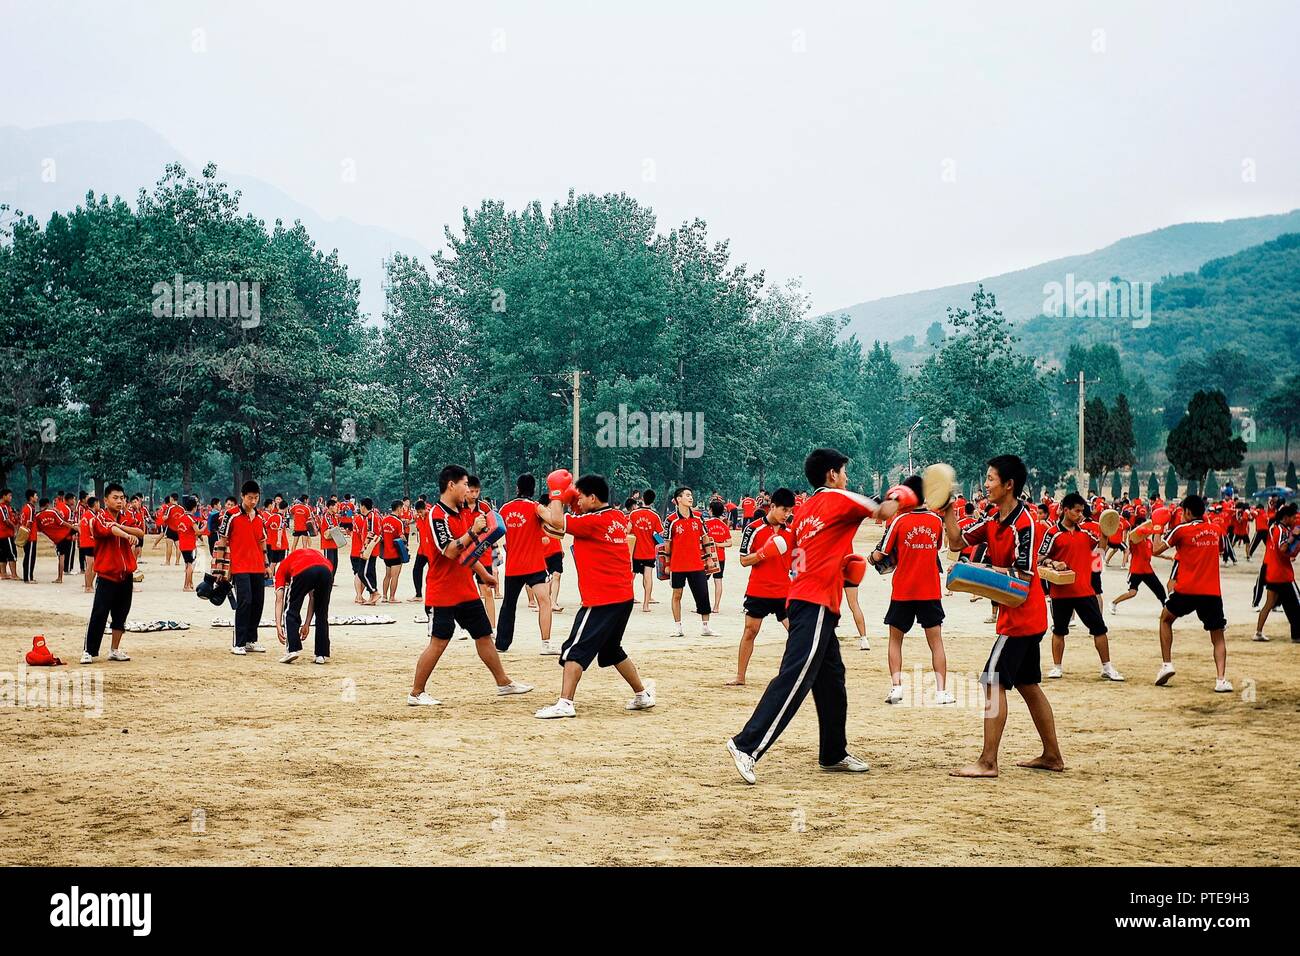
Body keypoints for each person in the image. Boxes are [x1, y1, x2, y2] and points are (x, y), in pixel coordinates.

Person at [726, 448, 903, 785]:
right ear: (832, 475)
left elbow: (798, 560)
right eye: (844, 472)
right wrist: (906, 491)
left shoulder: (805, 511)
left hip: (806, 598)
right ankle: (746, 745)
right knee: (796, 676)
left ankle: (833, 752)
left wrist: (834, 565)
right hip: (816, 602)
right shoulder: (839, 499)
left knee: (832, 681)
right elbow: (884, 510)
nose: (847, 478)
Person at [940, 454, 1064, 778]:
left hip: (1022, 618)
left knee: (992, 680)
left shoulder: (1026, 523)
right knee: (1028, 685)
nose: (986, 483)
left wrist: (979, 573)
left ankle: (988, 762)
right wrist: (948, 512)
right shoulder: (993, 519)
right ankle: (1052, 756)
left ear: (1009, 485)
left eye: (991, 478)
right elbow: (956, 541)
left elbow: (1022, 578)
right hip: (1018, 617)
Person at [407, 465, 532, 706]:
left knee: (484, 635)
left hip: (465, 589)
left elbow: (468, 554)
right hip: (442, 591)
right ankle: (416, 693)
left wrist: (485, 574)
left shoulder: (462, 512)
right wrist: (474, 532)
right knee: (439, 641)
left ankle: (503, 683)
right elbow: (452, 551)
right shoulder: (437, 515)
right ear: (451, 484)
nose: (468, 490)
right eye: (465, 484)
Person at [534, 471, 655, 718]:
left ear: (592, 497)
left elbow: (555, 522)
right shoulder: (615, 516)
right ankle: (642, 695)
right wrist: (567, 501)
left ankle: (565, 703)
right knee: (611, 650)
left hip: (602, 599)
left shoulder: (593, 521)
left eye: (580, 497)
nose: (576, 501)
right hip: (621, 598)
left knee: (573, 649)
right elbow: (558, 531)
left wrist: (554, 496)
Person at [870, 475, 955, 704]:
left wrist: (871, 558)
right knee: (936, 642)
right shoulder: (936, 521)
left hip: (904, 590)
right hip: (929, 590)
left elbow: (882, 554)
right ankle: (940, 692)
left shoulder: (899, 521)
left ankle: (897, 688)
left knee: (896, 640)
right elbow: (936, 547)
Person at [1145, 494, 1232, 692]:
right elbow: (1222, 550)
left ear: (1187, 512)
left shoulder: (1181, 530)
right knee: (1217, 636)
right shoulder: (1216, 530)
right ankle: (1221, 680)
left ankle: (1167, 664)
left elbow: (1156, 550)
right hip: (1211, 592)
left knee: (1165, 619)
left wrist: (1157, 528)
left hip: (1187, 589)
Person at [1040, 492, 1125, 681]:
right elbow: (1039, 559)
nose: (1080, 515)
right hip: (1060, 592)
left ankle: (1107, 667)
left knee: (1100, 629)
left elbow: (1100, 551)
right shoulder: (1052, 534)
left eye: (1082, 511)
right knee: (1059, 630)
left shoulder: (1086, 534)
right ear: (1065, 510)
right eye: (1077, 511)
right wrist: (1053, 563)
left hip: (1085, 591)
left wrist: (1105, 532)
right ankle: (1057, 667)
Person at [727, 487, 795, 686]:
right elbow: (743, 560)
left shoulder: (792, 531)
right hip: (759, 589)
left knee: (797, 632)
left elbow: (799, 561)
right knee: (750, 631)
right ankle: (740, 676)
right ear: (772, 507)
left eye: (790, 511)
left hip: (784, 589)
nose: (787, 514)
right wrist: (762, 554)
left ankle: (794, 675)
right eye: (784, 510)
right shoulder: (753, 528)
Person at [81, 483, 145, 664]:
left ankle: (114, 649)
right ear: (106, 500)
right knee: (99, 613)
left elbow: (140, 532)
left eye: (122, 498)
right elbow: (110, 529)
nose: (119, 501)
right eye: (115, 498)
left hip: (125, 575)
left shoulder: (126, 517)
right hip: (107, 575)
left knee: (121, 614)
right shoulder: (99, 517)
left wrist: (122, 527)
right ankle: (89, 650)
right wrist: (125, 534)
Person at [494, 474, 557, 654]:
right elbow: (554, 520)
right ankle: (546, 645)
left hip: (514, 566)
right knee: (544, 601)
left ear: (517, 488)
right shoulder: (536, 507)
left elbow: (494, 531)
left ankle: (501, 645)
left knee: (509, 605)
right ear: (533, 489)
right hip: (534, 565)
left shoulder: (505, 509)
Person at [217, 481, 271, 656]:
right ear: (242, 496)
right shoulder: (230, 515)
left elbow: (263, 542)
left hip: (257, 566)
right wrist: (221, 567)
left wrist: (267, 565)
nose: (253, 501)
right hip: (239, 566)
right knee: (245, 601)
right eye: (250, 498)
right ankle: (239, 642)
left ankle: (250, 640)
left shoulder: (261, 517)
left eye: (256, 498)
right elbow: (222, 540)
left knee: (257, 603)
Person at [664, 487, 717, 638]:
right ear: (678, 499)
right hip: (677, 564)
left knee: (702, 594)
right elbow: (667, 543)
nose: (691, 498)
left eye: (691, 495)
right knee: (677, 595)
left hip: (696, 563)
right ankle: (678, 627)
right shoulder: (670, 520)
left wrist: (709, 557)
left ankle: (706, 627)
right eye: (687, 495)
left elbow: (705, 537)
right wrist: (667, 563)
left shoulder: (699, 517)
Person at [273, 547, 334, 664]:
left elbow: (279, 600)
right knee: (322, 612)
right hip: (326, 570)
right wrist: (307, 623)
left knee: (290, 610)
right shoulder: (300, 555)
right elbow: (312, 598)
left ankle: (293, 649)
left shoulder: (281, 570)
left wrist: (278, 626)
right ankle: (321, 654)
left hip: (302, 570)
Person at [1255, 503, 1299, 643]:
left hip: (1273, 573)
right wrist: (1294, 536)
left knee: (1269, 604)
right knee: (1296, 604)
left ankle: (1258, 632)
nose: (1294, 520)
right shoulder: (1281, 530)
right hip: (1283, 574)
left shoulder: (1275, 528)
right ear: (1286, 518)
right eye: (1293, 518)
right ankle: (1297, 635)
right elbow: (1282, 548)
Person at [1112, 507, 1169, 613]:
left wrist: (1167, 557)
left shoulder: (1148, 542)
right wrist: (1154, 529)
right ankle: (1114, 603)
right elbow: (1138, 532)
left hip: (1147, 570)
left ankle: (1166, 608)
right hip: (1136, 570)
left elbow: (1153, 552)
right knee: (1132, 593)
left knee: (1160, 590)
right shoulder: (1134, 540)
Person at [628, 490, 664, 612]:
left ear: (643, 498)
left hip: (635, 552)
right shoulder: (655, 516)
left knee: (630, 577)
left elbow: (627, 530)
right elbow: (660, 534)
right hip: (649, 552)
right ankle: (646, 605)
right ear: (653, 500)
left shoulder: (633, 514)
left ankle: (629, 599)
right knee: (648, 577)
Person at [33, 497, 76, 584]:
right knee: (63, 557)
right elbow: (62, 522)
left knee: (61, 557)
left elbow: (39, 529)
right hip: (66, 533)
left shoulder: (37, 516)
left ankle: (60, 578)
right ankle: (60, 577)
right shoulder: (52, 512)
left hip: (58, 539)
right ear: (47, 504)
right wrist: (74, 528)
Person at [705, 499, 732, 613]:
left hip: (707, 557)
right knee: (718, 580)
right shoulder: (723, 525)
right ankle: (716, 606)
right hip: (720, 557)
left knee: (703, 582)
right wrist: (719, 544)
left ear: (710, 510)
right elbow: (729, 543)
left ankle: (703, 605)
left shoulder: (706, 524)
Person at [379, 500, 406, 603]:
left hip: (386, 553)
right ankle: (392, 597)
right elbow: (401, 537)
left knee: (387, 575)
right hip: (395, 553)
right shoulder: (398, 522)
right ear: (398, 508)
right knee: (395, 576)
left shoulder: (384, 520)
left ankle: (384, 596)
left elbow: (382, 535)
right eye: (402, 508)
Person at [0, 488, 17, 580]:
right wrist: (14, 528)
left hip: (1, 534)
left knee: (2, 555)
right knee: (12, 553)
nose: (11, 497)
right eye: (9, 496)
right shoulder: (2, 507)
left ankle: (3, 574)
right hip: (6, 534)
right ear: (4, 496)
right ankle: (14, 574)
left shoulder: (6, 507)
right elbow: (6, 520)